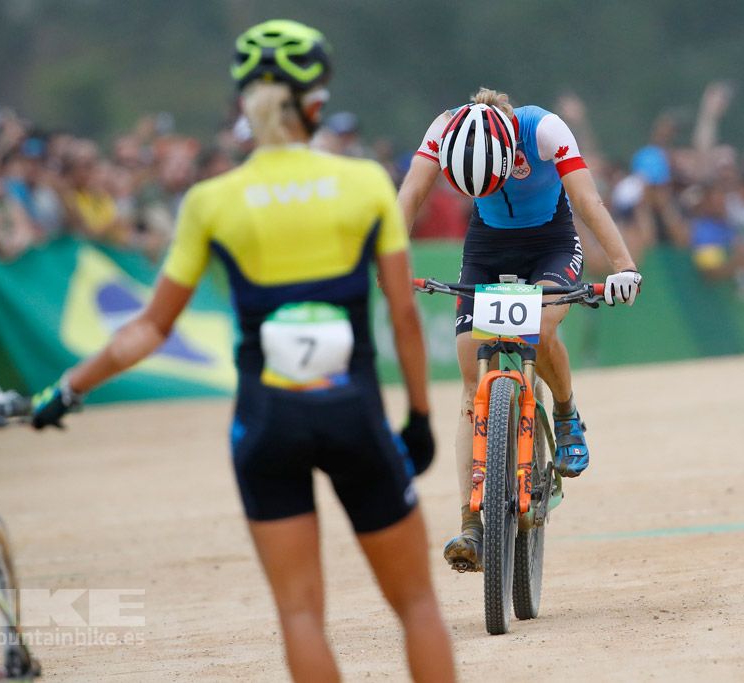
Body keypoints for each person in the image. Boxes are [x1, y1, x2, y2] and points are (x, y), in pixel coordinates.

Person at [30, 20, 454, 683]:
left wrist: (68, 388)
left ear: (243, 105)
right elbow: (402, 311)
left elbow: (149, 328)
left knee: (300, 614)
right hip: (354, 411)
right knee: (418, 603)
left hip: (267, 421)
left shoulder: (210, 199)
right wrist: (421, 418)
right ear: (315, 102)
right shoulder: (366, 182)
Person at [397, 88, 641, 572]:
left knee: (544, 323)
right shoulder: (442, 127)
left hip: (551, 241)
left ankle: (567, 412)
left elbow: (587, 200)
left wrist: (622, 266)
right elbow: (411, 195)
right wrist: (386, 262)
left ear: (511, 153)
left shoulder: (545, 130)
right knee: (472, 382)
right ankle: (471, 524)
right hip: (487, 245)